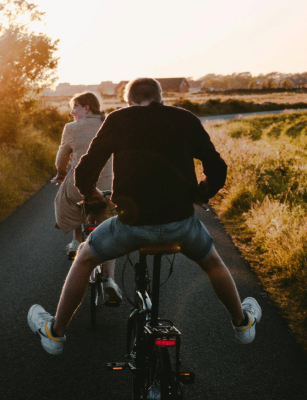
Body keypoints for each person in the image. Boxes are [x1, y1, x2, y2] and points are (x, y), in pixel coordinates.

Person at [27, 78, 262, 354]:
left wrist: (91, 194)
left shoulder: (118, 119)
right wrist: (201, 193)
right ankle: (242, 324)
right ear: (161, 99)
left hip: (131, 226)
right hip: (181, 224)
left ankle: (56, 333)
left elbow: (85, 168)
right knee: (212, 262)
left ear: (129, 102)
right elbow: (217, 167)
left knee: (84, 257)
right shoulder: (184, 118)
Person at [52, 91, 121, 302]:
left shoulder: (71, 128)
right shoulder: (111, 124)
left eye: (75, 107)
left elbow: (61, 156)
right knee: (108, 231)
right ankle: (110, 280)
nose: (72, 112)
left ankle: (75, 241)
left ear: (87, 108)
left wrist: (60, 173)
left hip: (80, 188)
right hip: (108, 187)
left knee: (71, 192)